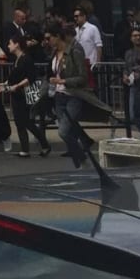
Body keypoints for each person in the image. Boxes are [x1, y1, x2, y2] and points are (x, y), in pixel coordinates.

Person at [47, 19, 111, 168]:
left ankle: (82, 160)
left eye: (49, 38)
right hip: (59, 95)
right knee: (69, 128)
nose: (47, 41)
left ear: (57, 36)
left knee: (63, 131)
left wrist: (63, 81)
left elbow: (82, 77)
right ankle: (81, 156)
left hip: (73, 95)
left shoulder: (74, 50)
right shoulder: (54, 53)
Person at [0, 34, 50, 157]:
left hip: (24, 93)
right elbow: (14, 77)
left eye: (10, 43)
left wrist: (17, 86)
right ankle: (26, 148)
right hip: (16, 93)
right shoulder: (16, 59)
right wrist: (6, 84)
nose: (8, 46)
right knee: (20, 121)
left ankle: (43, 144)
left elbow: (30, 77)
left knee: (26, 121)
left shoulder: (26, 59)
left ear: (17, 44)